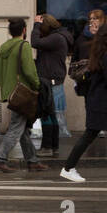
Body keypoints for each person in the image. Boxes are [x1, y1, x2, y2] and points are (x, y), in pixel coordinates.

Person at [59, 22, 107, 183]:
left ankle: (68, 168)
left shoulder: (106, 53)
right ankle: (68, 168)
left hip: (102, 102)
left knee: (89, 135)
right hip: (103, 104)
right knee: (89, 135)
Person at [0, 18, 43, 174]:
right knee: (16, 128)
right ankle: (0, 159)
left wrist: (5, 89)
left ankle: (32, 161)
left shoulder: (4, 47)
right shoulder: (24, 46)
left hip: (10, 92)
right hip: (23, 92)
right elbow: (29, 71)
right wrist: (37, 85)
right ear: (24, 30)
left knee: (22, 128)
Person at [31, 14, 70, 157]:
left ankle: (47, 147)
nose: (39, 31)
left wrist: (35, 25)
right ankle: (54, 146)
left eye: (41, 27)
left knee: (46, 115)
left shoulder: (56, 38)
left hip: (50, 82)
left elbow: (34, 42)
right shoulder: (58, 37)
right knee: (51, 115)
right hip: (53, 81)